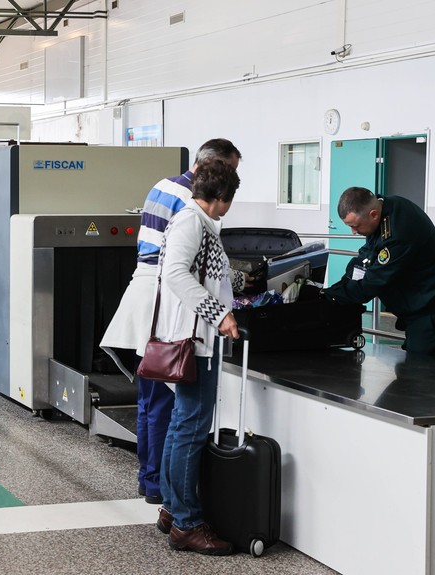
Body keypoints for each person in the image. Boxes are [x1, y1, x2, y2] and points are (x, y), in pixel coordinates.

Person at [100, 139, 243, 506]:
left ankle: (153, 482)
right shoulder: (192, 208)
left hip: (145, 294)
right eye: (231, 171)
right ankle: (167, 493)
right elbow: (180, 270)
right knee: (171, 406)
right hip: (164, 305)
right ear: (214, 172)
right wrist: (220, 310)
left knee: (153, 400)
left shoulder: (162, 185)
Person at [154, 158, 241, 556]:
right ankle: (188, 523)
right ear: (220, 197)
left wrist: (240, 281)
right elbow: (175, 273)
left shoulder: (197, 222)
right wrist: (219, 314)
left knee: (181, 426)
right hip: (195, 342)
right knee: (190, 430)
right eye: (230, 199)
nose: (229, 206)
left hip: (191, 339)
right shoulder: (192, 221)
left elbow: (205, 272)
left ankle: (173, 509)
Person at [323, 187, 435, 360]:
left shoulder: (398, 233)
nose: (353, 232)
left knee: (428, 376)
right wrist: (344, 283)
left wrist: (329, 294)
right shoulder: (385, 208)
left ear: (373, 214)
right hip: (418, 307)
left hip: (432, 310)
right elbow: (367, 255)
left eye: (355, 226)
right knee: (413, 373)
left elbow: (370, 285)